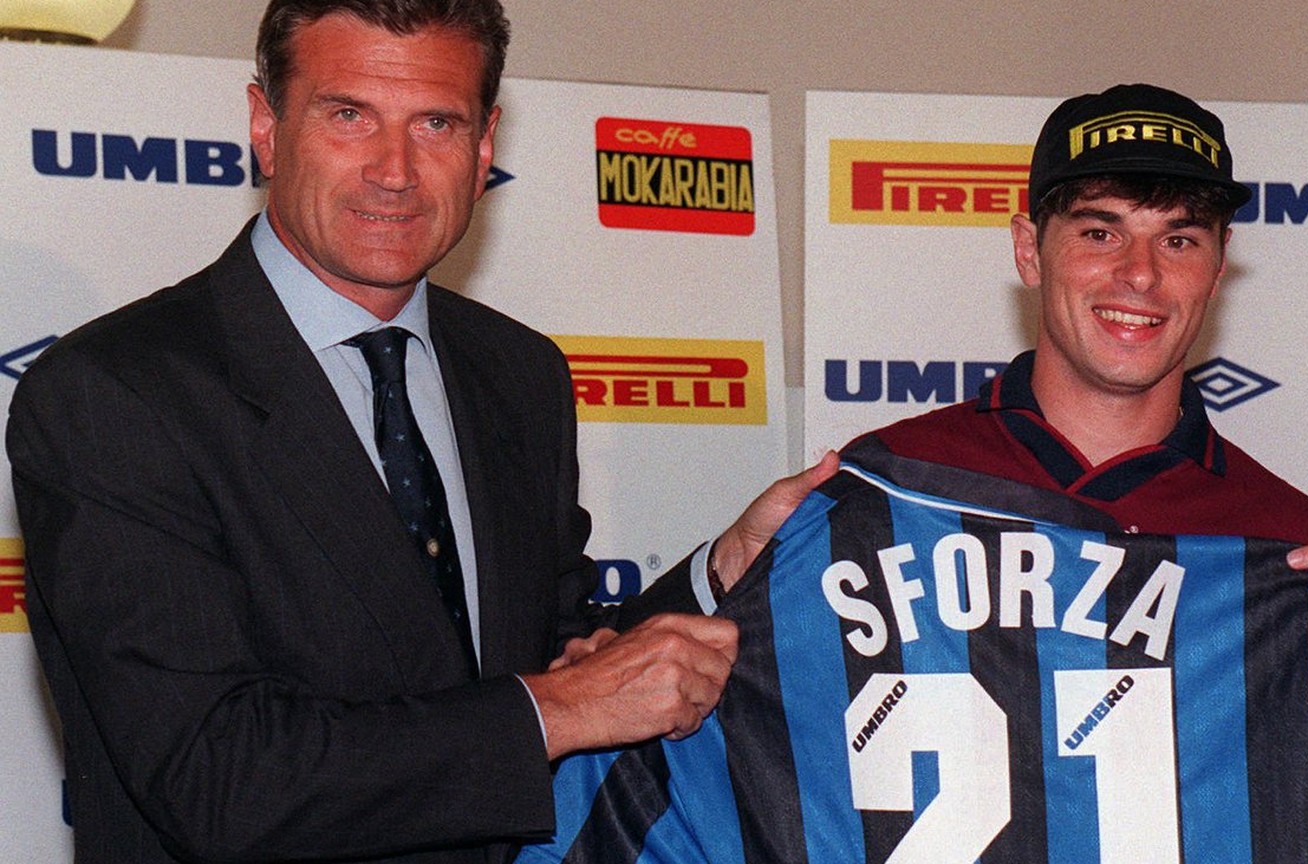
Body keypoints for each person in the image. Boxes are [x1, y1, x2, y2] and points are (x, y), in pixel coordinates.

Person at [5, 1, 832, 861]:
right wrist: (565, 709)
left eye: (435, 122)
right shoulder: (117, 393)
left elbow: (550, 655)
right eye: (349, 116)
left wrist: (722, 569)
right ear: (266, 127)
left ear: (484, 149)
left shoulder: (518, 374)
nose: (394, 171)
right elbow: (217, 777)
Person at [849, 82, 1308, 832]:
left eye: (1179, 240)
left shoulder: (1282, 541)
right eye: (1100, 232)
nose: (1141, 274)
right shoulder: (884, 486)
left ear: (1217, 271)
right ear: (1029, 249)